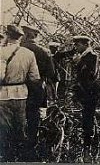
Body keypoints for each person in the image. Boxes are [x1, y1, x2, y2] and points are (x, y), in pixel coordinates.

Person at [54, 35, 100, 162]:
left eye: (77, 45)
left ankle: (88, 147)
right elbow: (58, 56)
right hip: (85, 92)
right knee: (88, 117)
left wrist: (78, 85)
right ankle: (92, 142)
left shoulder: (92, 57)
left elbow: (91, 76)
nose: (75, 47)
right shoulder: (83, 56)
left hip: (89, 93)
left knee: (88, 118)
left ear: (85, 45)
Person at [0, 25, 41, 162]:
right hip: (22, 94)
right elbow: (35, 78)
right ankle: (21, 155)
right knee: (20, 125)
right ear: (20, 37)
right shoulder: (29, 54)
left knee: (4, 126)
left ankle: (7, 156)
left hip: (3, 94)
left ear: (7, 35)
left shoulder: (1, 52)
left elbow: (0, 76)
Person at [20, 25, 56, 160]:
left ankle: (19, 143)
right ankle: (31, 143)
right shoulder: (45, 51)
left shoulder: (19, 50)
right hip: (37, 89)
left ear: (27, 35)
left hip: (20, 88)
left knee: (18, 115)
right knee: (34, 116)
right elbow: (51, 73)